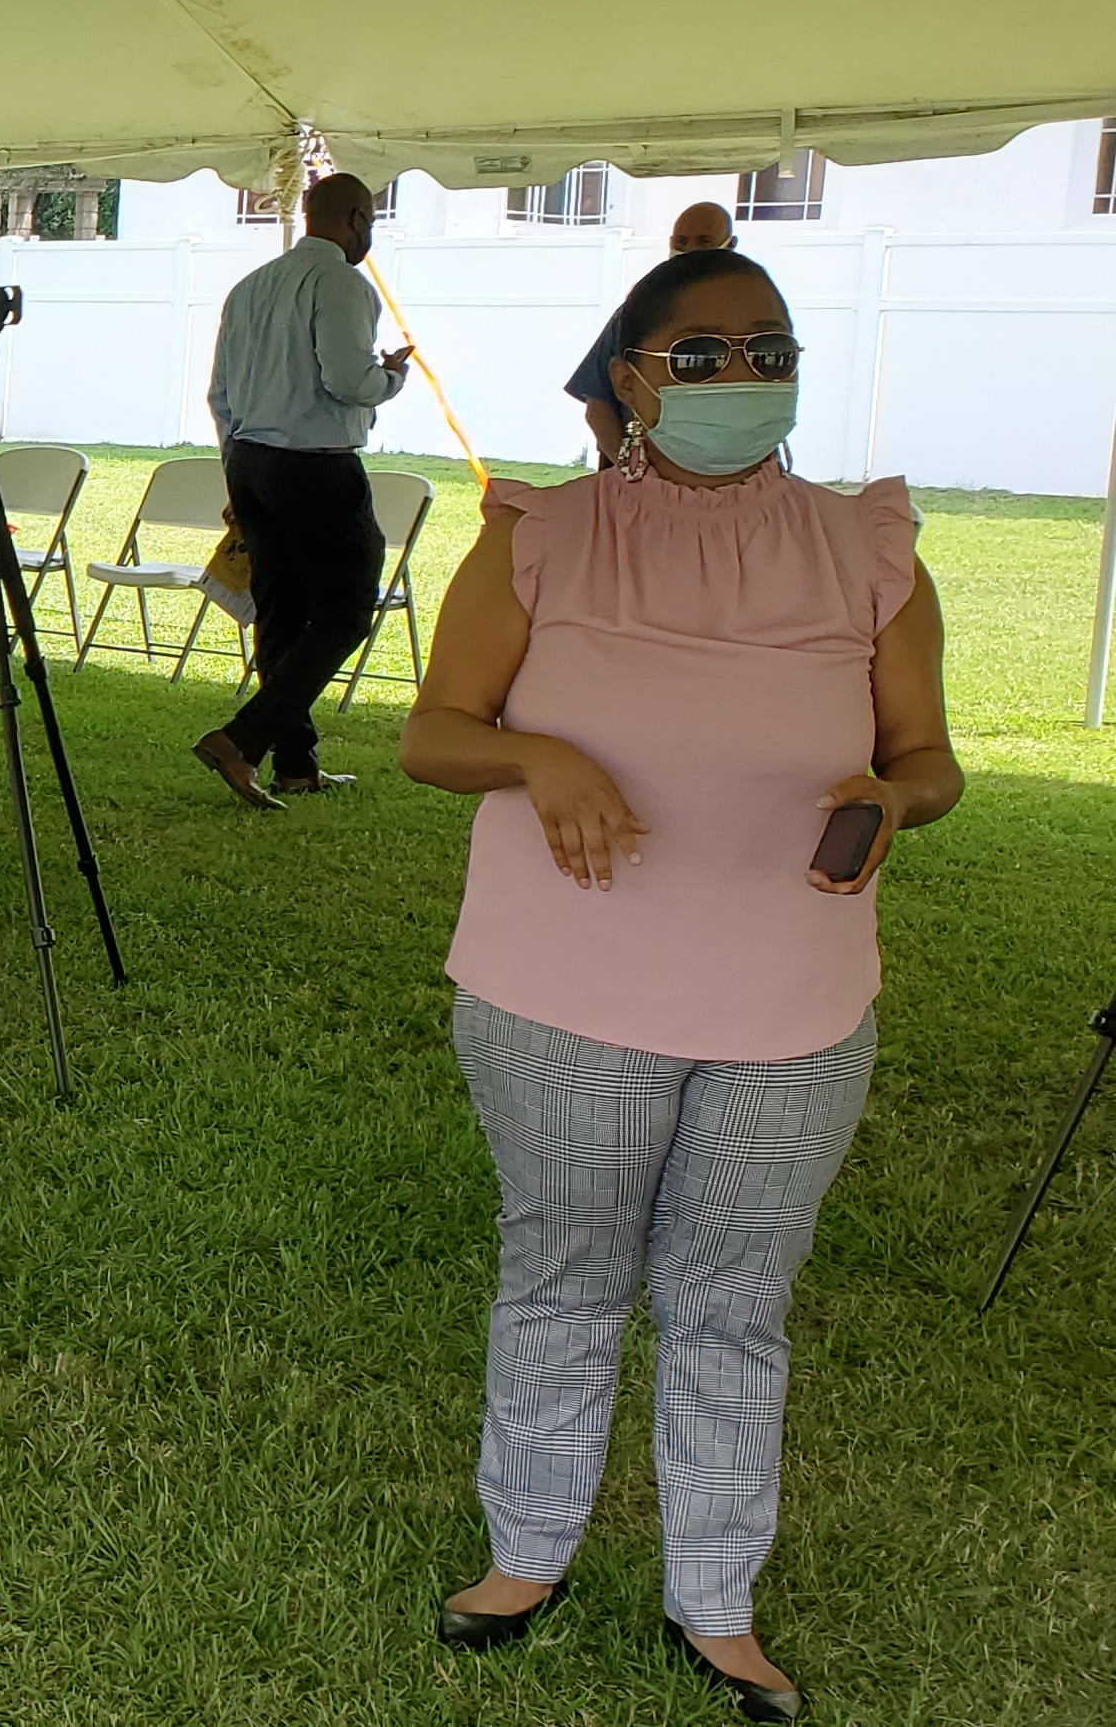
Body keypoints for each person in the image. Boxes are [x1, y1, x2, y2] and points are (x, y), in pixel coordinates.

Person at [399, 246, 956, 1724]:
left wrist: (895, 803)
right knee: (567, 1270)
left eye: (767, 349)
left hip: (793, 1002)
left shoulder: (874, 548)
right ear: (630, 376)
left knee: (731, 1302)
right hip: (562, 988)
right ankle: (526, 1552)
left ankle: (715, 1596)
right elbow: (433, 733)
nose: (741, 377)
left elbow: (931, 759)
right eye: (701, 353)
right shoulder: (540, 535)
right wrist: (539, 753)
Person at [193, 170, 416, 808]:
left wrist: (234, 468)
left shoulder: (250, 287)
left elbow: (221, 393)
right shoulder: (342, 283)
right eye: (369, 220)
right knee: (345, 613)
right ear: (354, 220)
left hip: (251, 460)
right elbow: (349, 381)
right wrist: (390, 380)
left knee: (283, 612)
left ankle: (296, 764)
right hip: (317, 467)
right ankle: (242, 740)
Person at [565, 200, 736, 462]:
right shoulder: (636, 313)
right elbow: (597, 405)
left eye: (703, 242)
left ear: (730, 246)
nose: (690, 251)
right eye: (681, 242)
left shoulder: (749, 317)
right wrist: (631, 473)